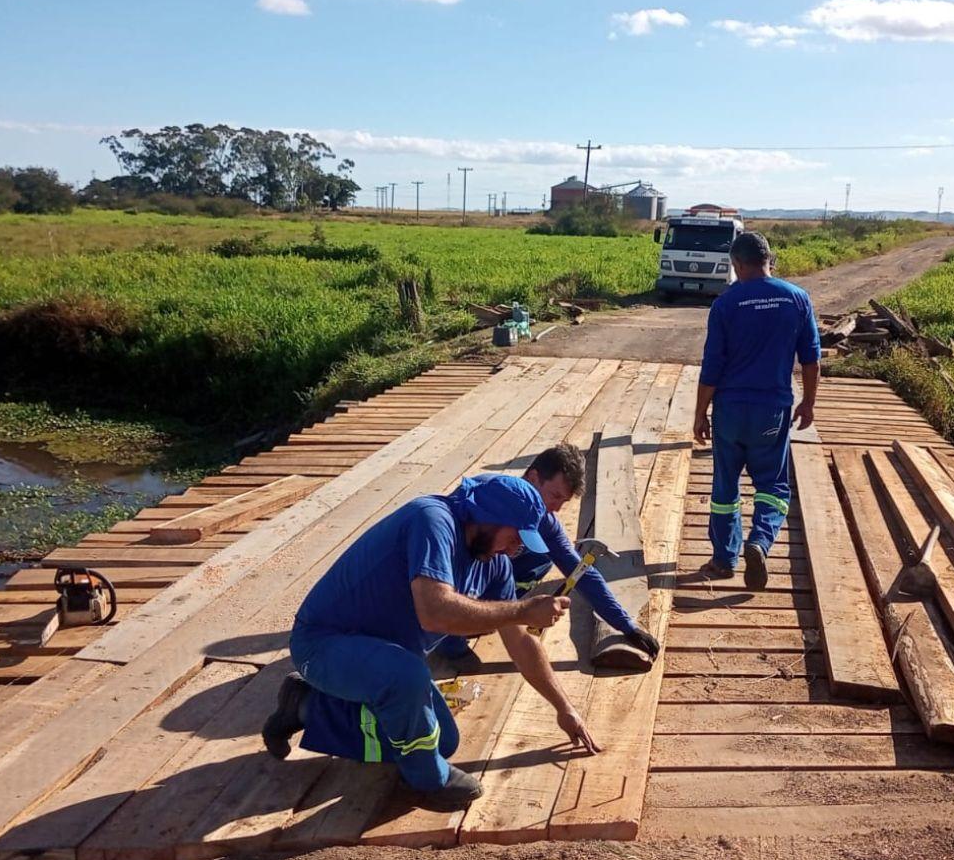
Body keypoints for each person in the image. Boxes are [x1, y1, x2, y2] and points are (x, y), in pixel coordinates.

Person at [262, 474, 600, 811]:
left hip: (382, 656)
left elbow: (521, 643)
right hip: (323, 644)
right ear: (488, 518)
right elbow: (434, 612)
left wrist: (563, 708)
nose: (514, 549)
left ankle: (305, 706)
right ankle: (428, 781)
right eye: (513, 537)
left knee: (442, 740)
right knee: (408, 677)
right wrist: (522, 610)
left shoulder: (494, 565)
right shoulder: (432, 520)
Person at [431, 443, 661, 662]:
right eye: (555, 495)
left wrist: (626, 626)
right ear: (533, 478)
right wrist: (455, 645)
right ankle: (457, 637)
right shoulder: (485, 497)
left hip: (495, 571)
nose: (557, 508)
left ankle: (500, 599)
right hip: (453, 569)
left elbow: (581, 573)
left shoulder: (545, 521)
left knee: (542, 555)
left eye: (565, 501)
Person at [693, 231, 820, 589]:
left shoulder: (725, 304)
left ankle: (723, 559)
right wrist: (808, 401)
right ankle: (760, 541)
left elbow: (711, 366)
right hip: (772, 411)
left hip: (730, 412)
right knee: (773, 487)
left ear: (737, 264)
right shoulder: (797, 299)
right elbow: (811, 357)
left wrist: (700, 413)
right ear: (769, 259)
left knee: (725, 485)